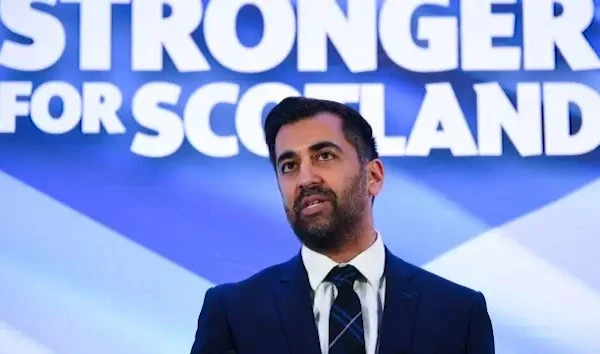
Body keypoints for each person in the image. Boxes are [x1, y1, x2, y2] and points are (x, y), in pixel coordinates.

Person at [189, 97, 494, 354]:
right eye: (289, 166)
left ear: (373, 177)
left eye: (324, 156)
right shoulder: (233, 313)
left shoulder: (458, 312)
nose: (306, 178)